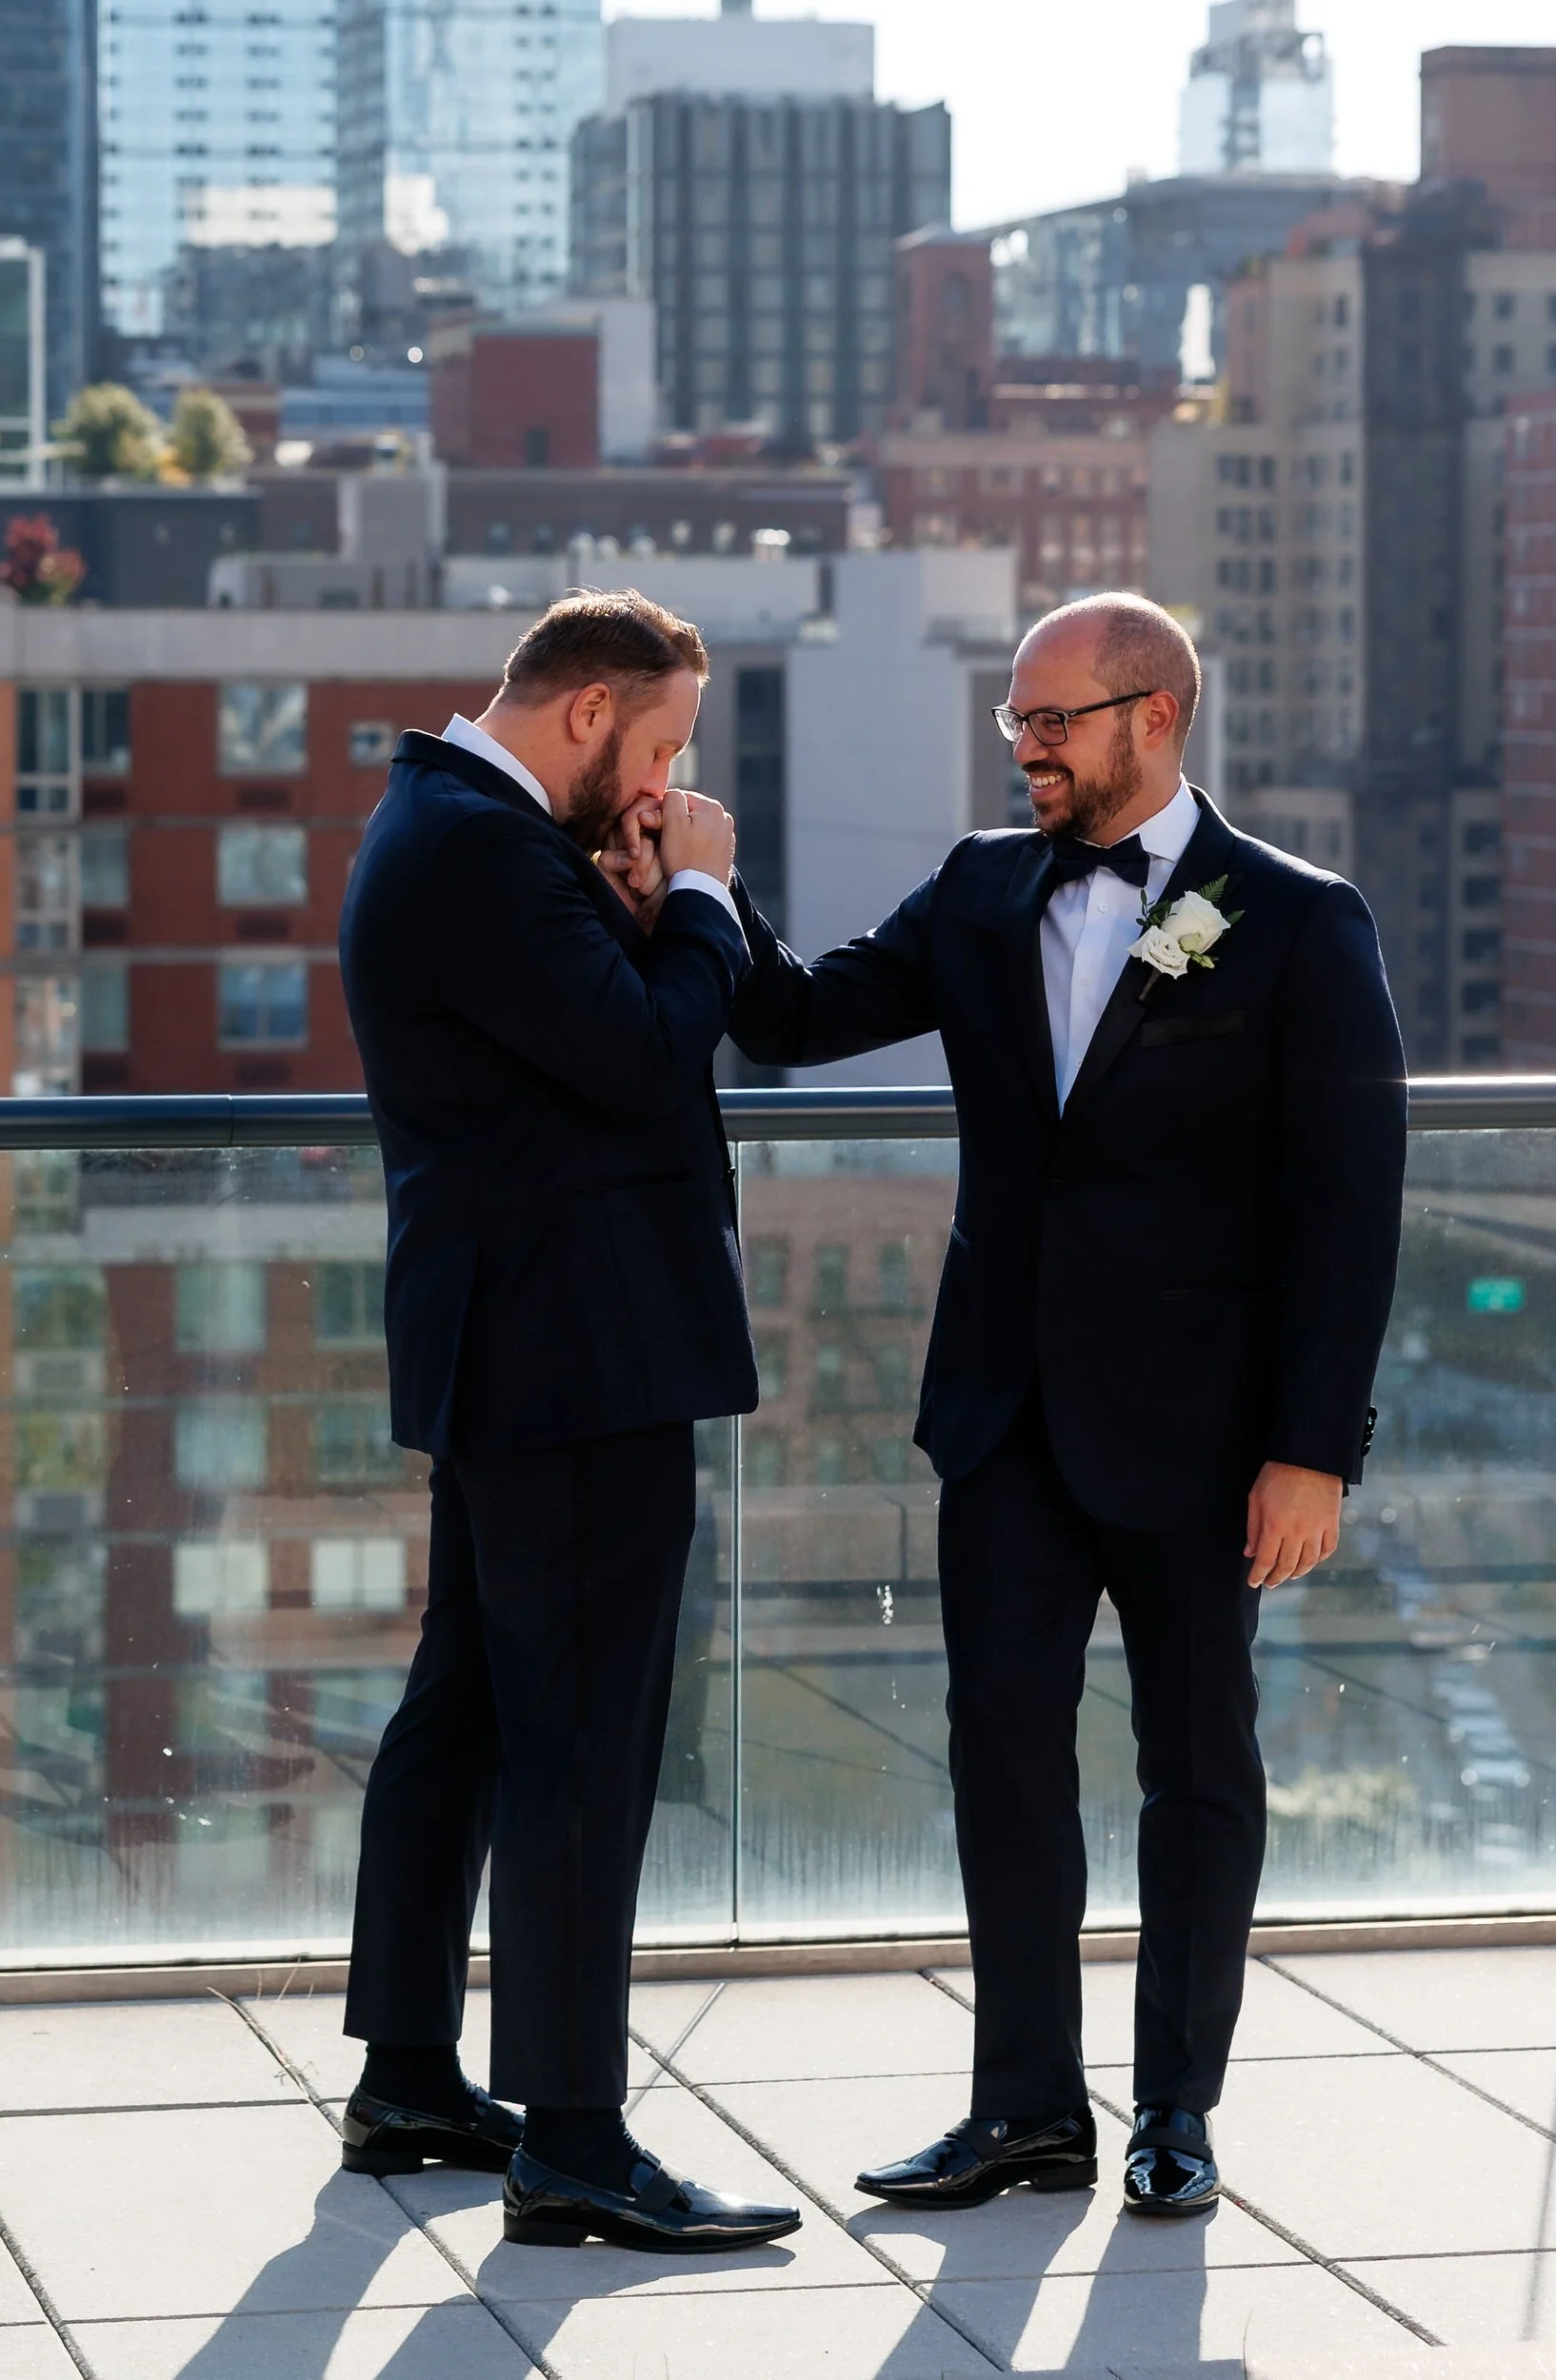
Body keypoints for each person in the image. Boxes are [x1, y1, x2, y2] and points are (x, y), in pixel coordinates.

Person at [688, 591, 1406, 2216]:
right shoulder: (978, 885)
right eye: (1013, 720)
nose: (1024, 747)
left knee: (1196, 1769)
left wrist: (1312, 1451)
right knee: (1001, 1755)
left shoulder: (1298, 920)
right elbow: (795, 1020)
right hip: (1002, 1420)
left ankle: (1174, 2113)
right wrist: (702, 886)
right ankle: (1021, 2111)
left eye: (1051, 720)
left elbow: (1348, 1205)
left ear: (1155, 716)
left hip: (1204, 1436)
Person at [336, 589, 798, 2254]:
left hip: (511, 1345)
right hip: (576, 1352)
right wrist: (702, 896)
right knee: (582, 1739)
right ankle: (578, 2142)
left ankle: (408, 2078)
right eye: (662, 744)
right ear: (588, 710)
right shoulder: (481, 848)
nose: (668, 781)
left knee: (469, 1702)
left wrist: (641, 903)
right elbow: (643, 1057)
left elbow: (574, 1045)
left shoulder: (453, 825)